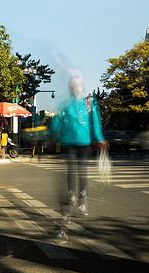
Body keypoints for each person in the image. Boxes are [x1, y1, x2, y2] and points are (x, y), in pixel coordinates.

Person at [50, 74, 108, 244]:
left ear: (81, 86)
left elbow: (96, 121)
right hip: (68, 142)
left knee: (82, 170)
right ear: (70, 87)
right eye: (72, 85)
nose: (74, 87)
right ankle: (72, 194)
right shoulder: (65, 104)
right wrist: (52, 135)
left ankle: (83, 197)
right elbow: (57, 120)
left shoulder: (88, 102)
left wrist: (98, 138)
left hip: (84, 142)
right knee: (71, 170)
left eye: (77, 85)